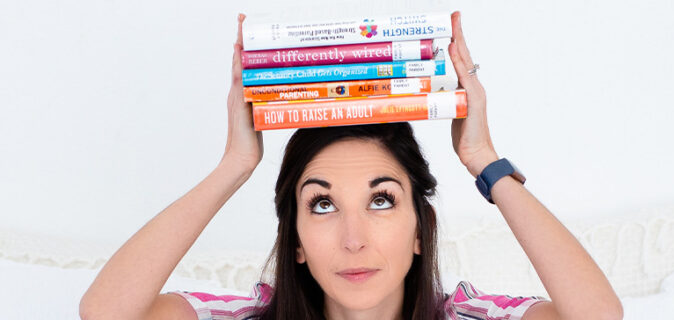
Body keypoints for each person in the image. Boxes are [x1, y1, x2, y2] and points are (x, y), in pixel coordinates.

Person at [79, 11, 623, 320]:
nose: (353, 239)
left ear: (419, 229)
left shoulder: (467, 315)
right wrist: (236, 163)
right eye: (322, 205)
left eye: (382, 199)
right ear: (294, 239)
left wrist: (483, 159)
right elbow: (104, 315)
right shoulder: (245, 317)